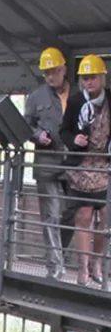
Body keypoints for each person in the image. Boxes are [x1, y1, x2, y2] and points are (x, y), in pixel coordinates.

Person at [60, 54, 111, 286]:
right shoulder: (75, 101)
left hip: (105, 165)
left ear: (102, 77)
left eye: (93, 78)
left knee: (105, 219)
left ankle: (97, 265)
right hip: (81, 166)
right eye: (85, 78)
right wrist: (74, 140)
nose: (89, 82)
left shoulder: (110, 99)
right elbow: (64, 131)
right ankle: (82, 268)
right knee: (84, 215)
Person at [24, 47, 71, 279]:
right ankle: (55, 266)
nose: (50, 77)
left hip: (73, 163)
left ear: (64, 69)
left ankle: (60, 257)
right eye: (46, 73)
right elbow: (25, 126)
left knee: (73, 212)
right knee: (51, 214)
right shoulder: (36, 97)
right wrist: (36, 135)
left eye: (53, 71)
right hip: (46, 163)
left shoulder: (79, 95)